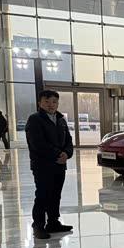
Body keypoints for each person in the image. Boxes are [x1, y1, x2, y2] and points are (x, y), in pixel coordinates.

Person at [26, 90, 73, 239]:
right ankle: (38, 226)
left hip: (59, 165)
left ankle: (53, 222)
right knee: (43, 195)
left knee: (55, 195)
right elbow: (37, 143)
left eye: (54, 102)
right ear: (40, 103)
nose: (51, 105)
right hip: (43, 165)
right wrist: (58, 154)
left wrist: (67, 153)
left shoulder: (60, 119)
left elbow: (68, 140)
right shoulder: (34, 119)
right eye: (46, 101)